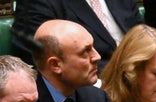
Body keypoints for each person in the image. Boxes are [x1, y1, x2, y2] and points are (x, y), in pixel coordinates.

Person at [11, 0, 143, 70]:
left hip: (141, 78)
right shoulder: (38, 2)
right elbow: (42, 61)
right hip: (93, 89)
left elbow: (142, 37)